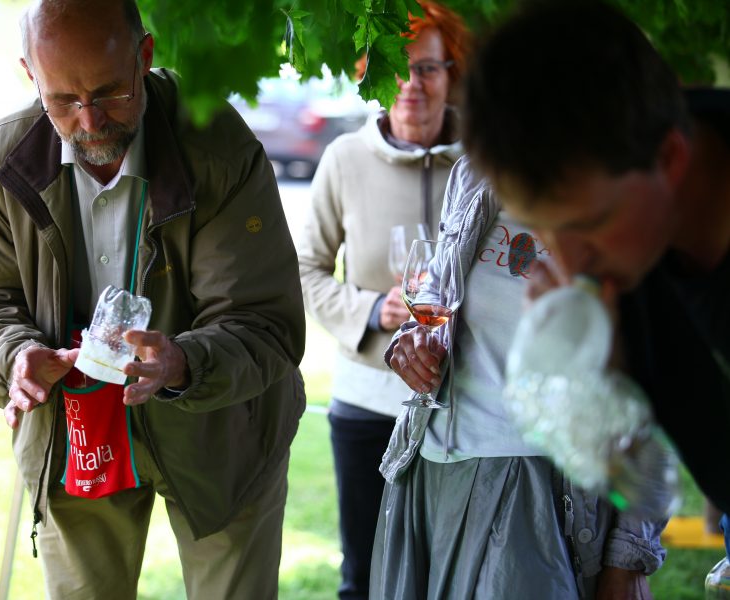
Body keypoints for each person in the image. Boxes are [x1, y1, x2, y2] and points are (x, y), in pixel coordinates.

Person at [0, 0, 305, 598]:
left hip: (223, 431)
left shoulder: (216, 147)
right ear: (30, 74)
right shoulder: (0, 158)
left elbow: (263, 320)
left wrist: (184, 363)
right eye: (62, 99)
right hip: (75, 430)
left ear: (145, 56)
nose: (89, 121)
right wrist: (13, 357)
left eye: (110, 92)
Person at [461, 0, 730, 559]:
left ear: (672, 158)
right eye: (541, 229)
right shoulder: (625, 261)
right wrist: (601, 389)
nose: (568, 262)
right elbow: (668, 481)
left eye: (587, 225)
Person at [371, 155, 665, 599]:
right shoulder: (473, 169)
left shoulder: (624, 190)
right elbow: (440, 286)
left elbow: (655, 381)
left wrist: (630, 553)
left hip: (537, 487)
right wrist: (414, 337)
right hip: (430, 467)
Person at [296, 3, 468, 597]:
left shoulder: (483, 164)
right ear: (371, 72)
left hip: (462, 405)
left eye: (427, 69)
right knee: (365, 575)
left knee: (449, 575)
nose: (411, 85)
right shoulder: (345, 158)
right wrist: (372, 310)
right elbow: (305, 269)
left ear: (452, 74)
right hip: (367, 403)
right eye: (396, 67)